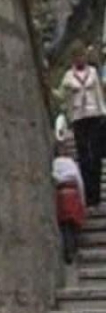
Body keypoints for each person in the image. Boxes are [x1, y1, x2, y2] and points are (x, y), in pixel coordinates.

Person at [59, 42, 106, 211]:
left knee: (95, 156)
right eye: (77, 56)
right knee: (84, 156)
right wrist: (67, 116)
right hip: (79, 118)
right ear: (73, 59)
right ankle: (88, 198)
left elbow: (98, 93)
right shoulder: (68, 77)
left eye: (82, 56)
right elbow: (64, 97)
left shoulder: (92, 72)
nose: (81, 59)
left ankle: (96, 198)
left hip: (94, 115)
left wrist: (103, 112)